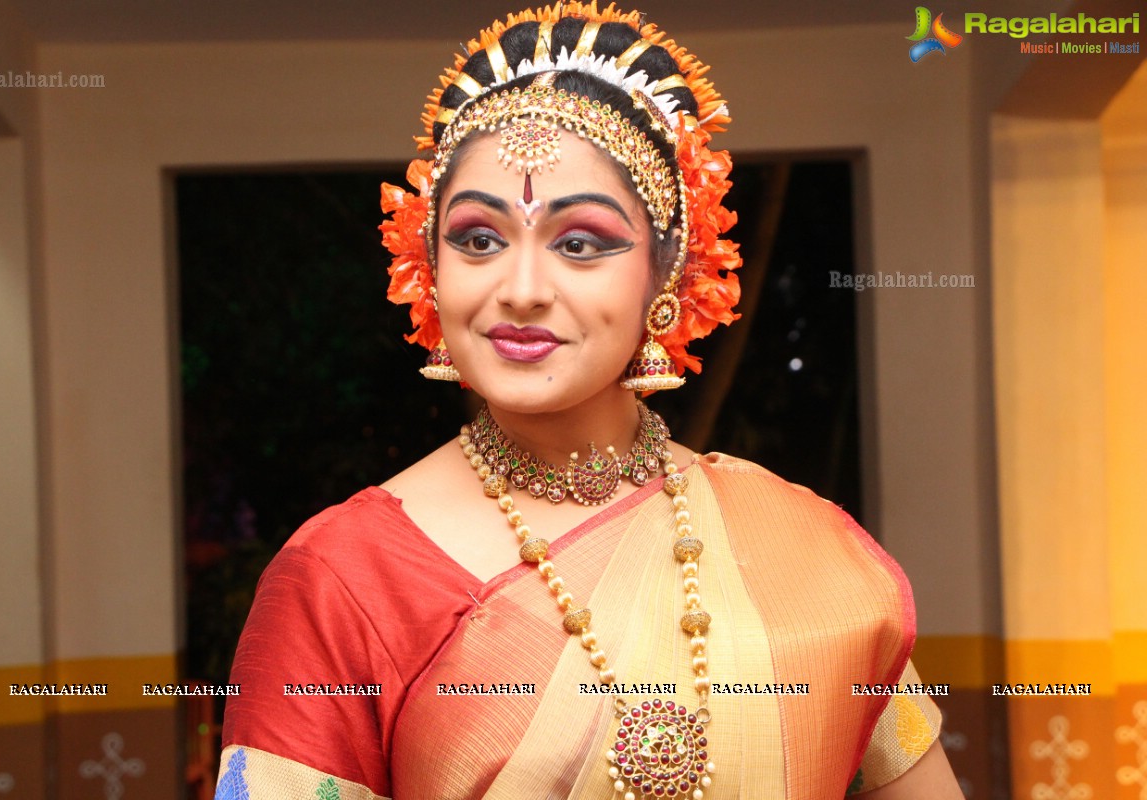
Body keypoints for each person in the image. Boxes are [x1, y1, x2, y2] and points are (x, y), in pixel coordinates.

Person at [214, 3, 964, 798]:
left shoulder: (804, 550)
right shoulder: (343, 578)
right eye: (477, 239)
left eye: (580, 243)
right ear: (427, 266)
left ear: (669, 275)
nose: (522, 289)